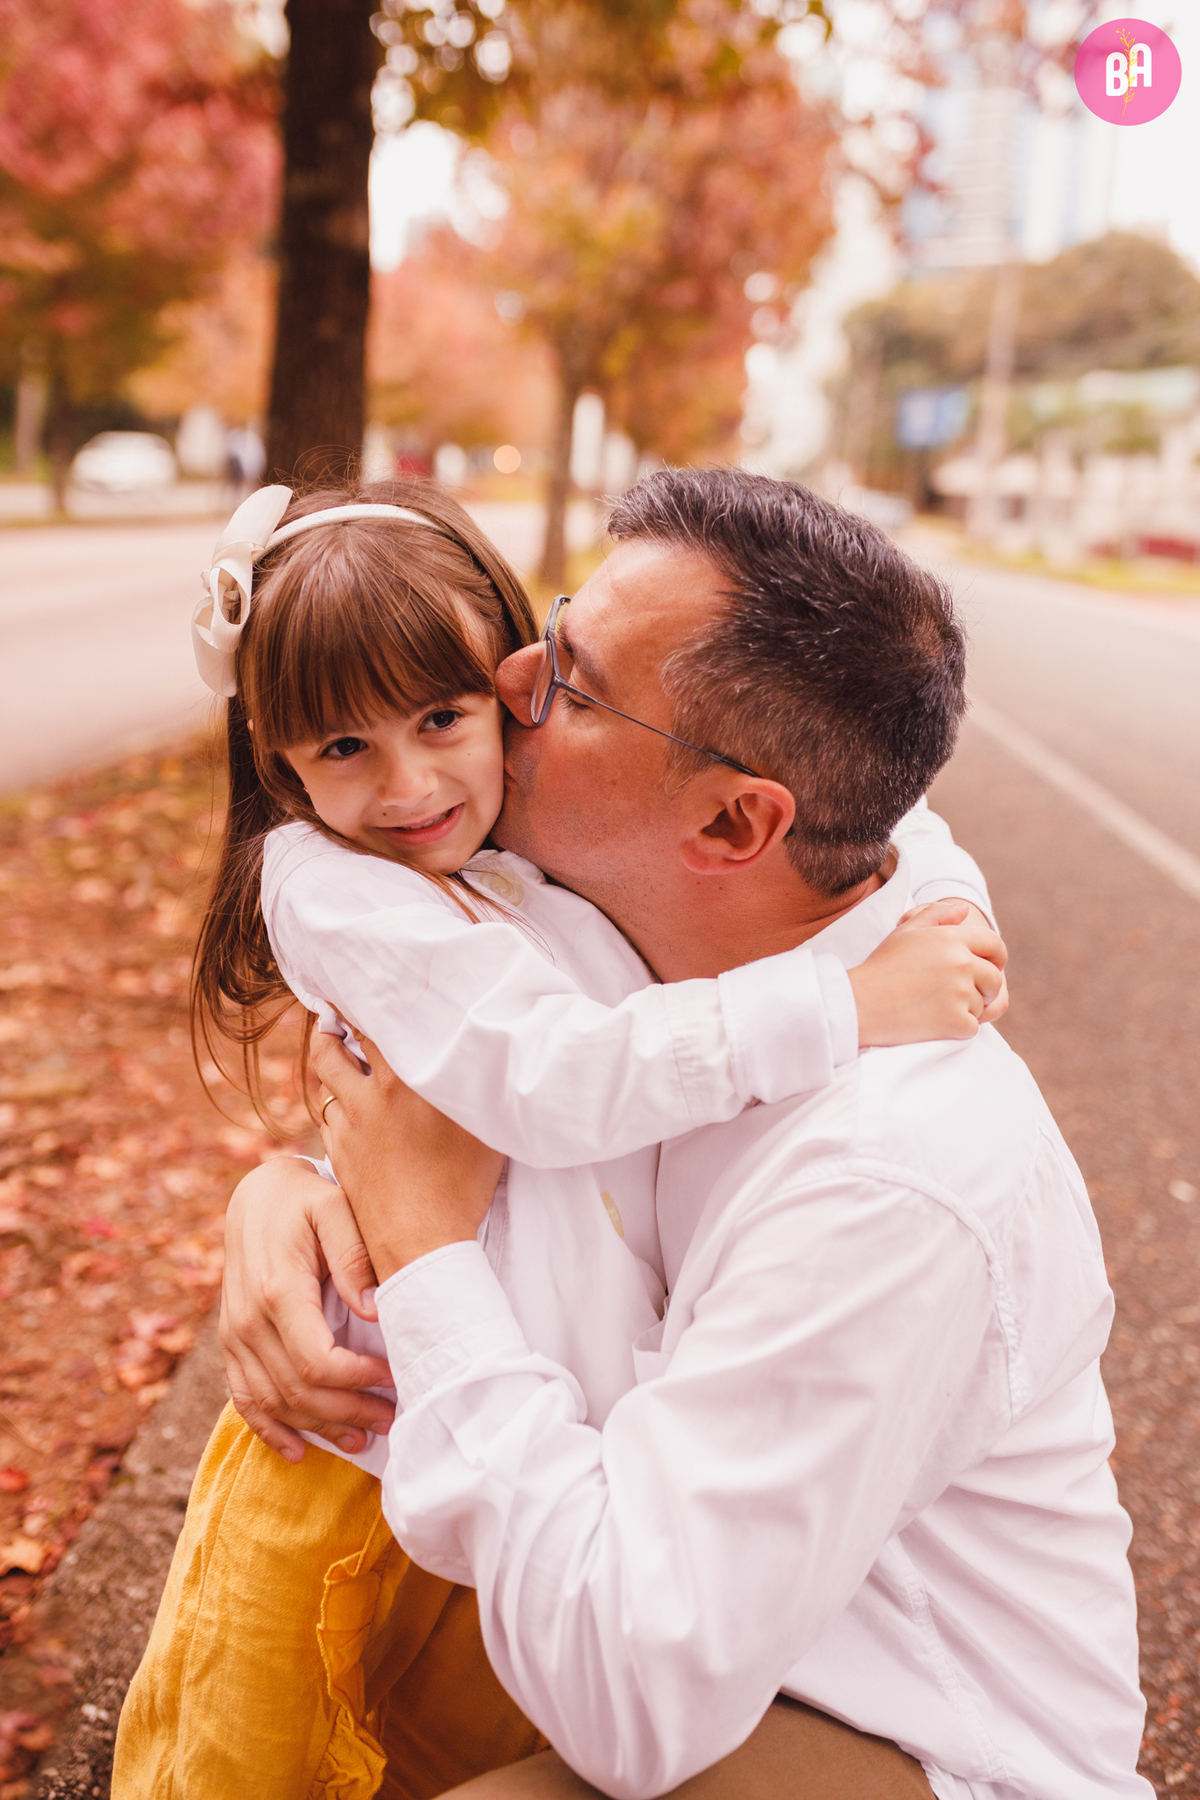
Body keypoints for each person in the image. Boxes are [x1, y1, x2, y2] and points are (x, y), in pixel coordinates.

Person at [229, 469, 1151, 1800]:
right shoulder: (668, 937)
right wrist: (304, 1187)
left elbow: (627, 1693)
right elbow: (528, 1078)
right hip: (714, 1619)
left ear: (733, 820)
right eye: (548, 625)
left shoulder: (890, 1175)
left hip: (902, 1727)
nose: (514, 674)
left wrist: (424, 1253)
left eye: (579, 685)